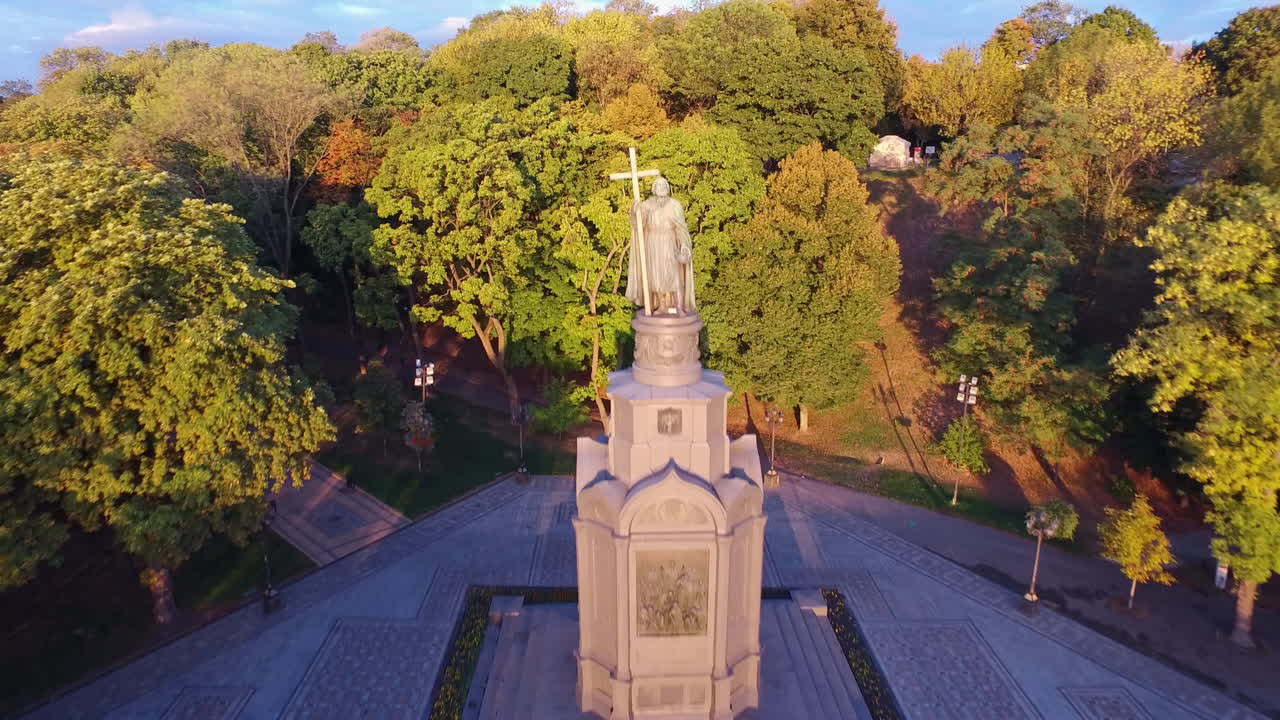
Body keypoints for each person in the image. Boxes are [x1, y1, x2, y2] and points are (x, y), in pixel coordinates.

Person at [625, 177, 696, 314]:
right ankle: (662, 306)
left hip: (669, 242)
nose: (661, 186)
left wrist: (684, 246)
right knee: (656, 276)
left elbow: (681, 228)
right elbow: (638, 224)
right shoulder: (647, 205)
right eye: (658, 184)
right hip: (652, 244)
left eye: (664, 184)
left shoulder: (675, 205)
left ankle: (679, 307)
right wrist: (634, 212)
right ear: (653, 188)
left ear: (668, 187)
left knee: (674, 276)